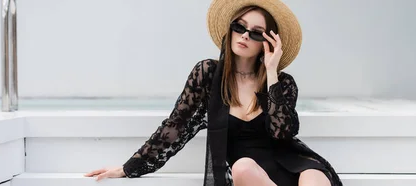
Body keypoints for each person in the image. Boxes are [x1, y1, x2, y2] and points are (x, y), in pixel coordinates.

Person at [84, 0, 342, 185]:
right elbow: (175, 127)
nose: (244, 36)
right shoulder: (207, 74)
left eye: (256, 33)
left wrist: (272, 72)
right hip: (247, 174)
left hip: (291, 165)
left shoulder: (282, 83)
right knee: (242, 167)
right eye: (239, 27)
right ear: (229, 29)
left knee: (315, 178)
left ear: (267, 42)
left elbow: (282, 132)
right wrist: (127, 169)